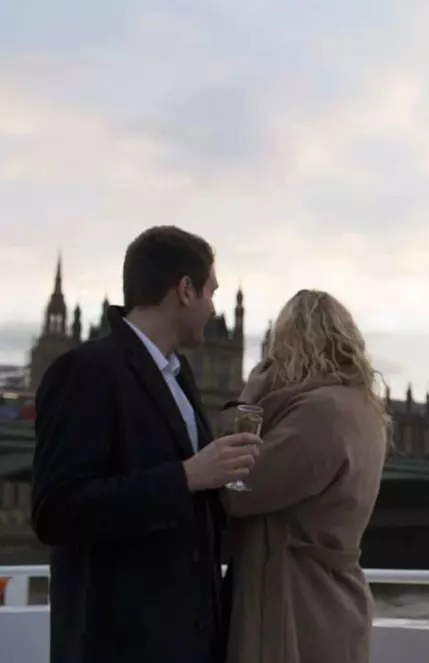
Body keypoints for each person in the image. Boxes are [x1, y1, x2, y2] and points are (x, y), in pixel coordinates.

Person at [30, 225, 262, 663]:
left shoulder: (179, 377)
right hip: (120, 643)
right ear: (185, 290)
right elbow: (55, 511)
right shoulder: (84, 371)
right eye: (211, 292)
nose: (213, 308)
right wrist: (186, 476)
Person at [221, 289, 389, 663]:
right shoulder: (364, 409)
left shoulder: (320, 413)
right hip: (334, 603)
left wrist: (246, 405)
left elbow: (237, 487)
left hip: (297, 607)